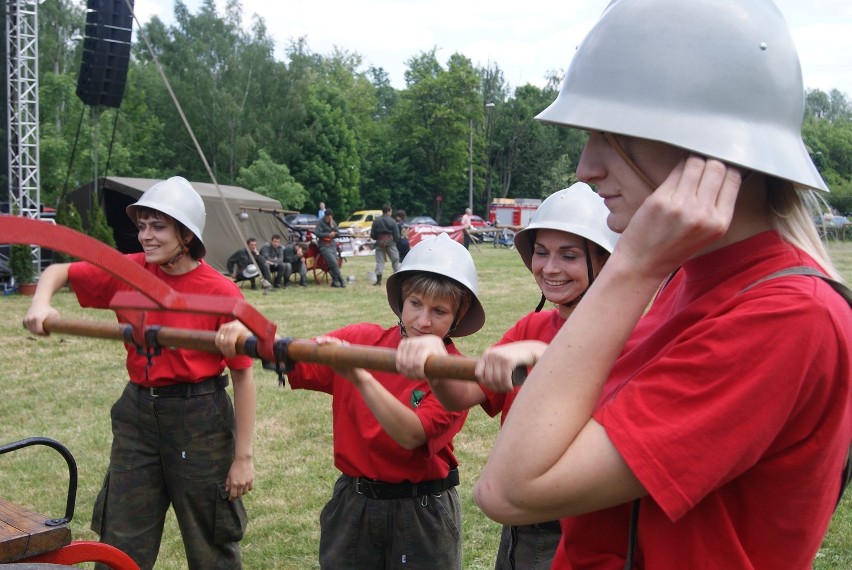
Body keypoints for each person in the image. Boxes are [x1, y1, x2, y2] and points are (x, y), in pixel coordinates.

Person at [473, 2, 852, 568]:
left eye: (614, 133)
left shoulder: (789, 315)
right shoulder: (694, 279)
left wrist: (631, 265)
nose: (586, 166)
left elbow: (511, 489)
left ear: (711, 148)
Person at [23, 176, 257, 570]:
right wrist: (42, 304)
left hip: (200, 417)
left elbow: (244, 377)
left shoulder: (221, 291)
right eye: (142, 225)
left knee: (211, 537)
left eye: (158, 226)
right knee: (121, 535)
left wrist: (243, 458)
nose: (146, 236)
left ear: (186, 234)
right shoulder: (126, 271)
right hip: (137, 414)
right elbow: (58, 271)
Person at [215, 232, 486, 569]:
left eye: (439, 311)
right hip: (353, 503)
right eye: (415, 304)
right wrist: (249, 338)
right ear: (402, 300)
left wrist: (358, 374)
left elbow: (412, 433)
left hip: (421, 510)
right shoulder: (362, 340)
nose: (423, 321)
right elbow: (293, 355)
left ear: (458, 318)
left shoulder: (453, 376)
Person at [396, 183, 618, 570]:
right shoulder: (530, 326)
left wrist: (540, 357)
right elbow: (461, 395)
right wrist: (435, 357)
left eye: (569, 255)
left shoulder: (625, 335)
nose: (550, 268)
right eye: (542, 253)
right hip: (522, 517)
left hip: (581, 523)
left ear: (604, 260)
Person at [370, 204, 401, 287]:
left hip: (379, 243)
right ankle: (397, 279)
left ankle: (378, 281)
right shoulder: (393, 221)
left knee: (380, 262)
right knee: (395, 260)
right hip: (391, 243)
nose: (391, 213)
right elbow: (397, 235)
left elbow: (372, 235)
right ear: (388, 211)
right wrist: (394, 241)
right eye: (391, 211)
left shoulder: (376, 221)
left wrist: (379, 239)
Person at [314, 208, 347, 288]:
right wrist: (328, 235)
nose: (328, 219)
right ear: (325, 216)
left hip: (332, 244)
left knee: (336, 261)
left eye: (330, 217)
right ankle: (341, 279)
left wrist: (333, 229)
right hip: (324, 245)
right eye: (327, 217)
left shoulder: (333, 222)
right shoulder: (320, 222)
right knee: (333, 262)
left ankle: (335, 282)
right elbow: (317, 233)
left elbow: (338, 233)